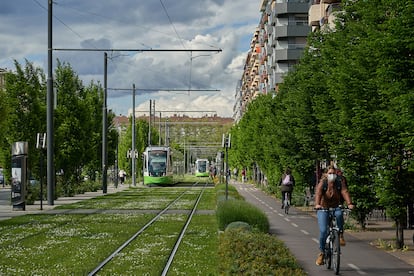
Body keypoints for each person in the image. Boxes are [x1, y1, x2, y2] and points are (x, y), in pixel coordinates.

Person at [314, 165, 355, 266]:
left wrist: (349, 203)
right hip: (323, 208)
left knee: (339, 214)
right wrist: (317, 204)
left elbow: (344, 192)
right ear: (325, 174)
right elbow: (318, 194)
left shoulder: (339, 182)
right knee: (324, 231)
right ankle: (322, 253)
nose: (332, 175)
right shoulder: (322, 183)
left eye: (333, 173)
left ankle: (340, 235)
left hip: (336, 206)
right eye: (330, 173)